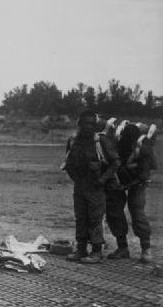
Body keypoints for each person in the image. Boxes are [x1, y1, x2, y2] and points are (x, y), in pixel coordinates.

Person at [62, 110, 119, 263]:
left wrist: (102, 180)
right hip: (80, 186)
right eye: (85, 123)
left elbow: (115, 162)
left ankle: (96, 251)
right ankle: (81, 249)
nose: (88, 127)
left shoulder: (101, 141)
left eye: (91, 124)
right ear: (79, 124)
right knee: (80, 218)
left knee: (95, 219)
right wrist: (76, 179)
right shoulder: (73, 141)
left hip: (96, 187)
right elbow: (68, 163)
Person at [105, 122, 156, 263]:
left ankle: (146, 249)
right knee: (114, 211)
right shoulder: (117, 146)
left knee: (137, 212)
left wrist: (127, 185)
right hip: (119, 180)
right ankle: (123, 248)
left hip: (137, 183)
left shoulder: (143, 149)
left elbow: (143, 174)